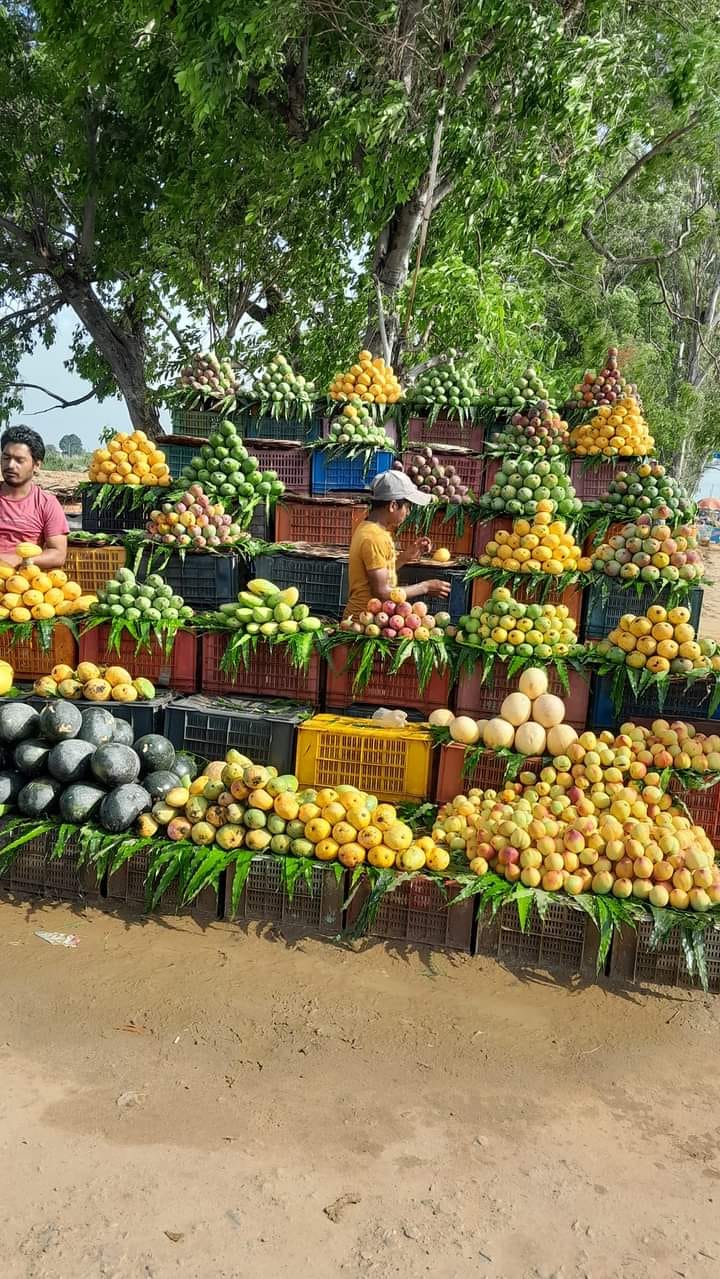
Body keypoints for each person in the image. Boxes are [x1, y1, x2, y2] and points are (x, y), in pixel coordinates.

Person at [344, 470, 452, 619]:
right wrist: (425, 587)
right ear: (393, 505)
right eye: (407, 507)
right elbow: (381, 592)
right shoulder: (373, 537)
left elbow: (377, 572)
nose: (408, 513)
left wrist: (404, 557)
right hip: (363, 622)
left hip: (376, 619)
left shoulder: (371, 529)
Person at [0, 426, 68, 568]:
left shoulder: (47, 504)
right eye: (6, 458)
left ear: (36, 465)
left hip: (22, 583)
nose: (10, 465)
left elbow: (58, 554)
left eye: (19, 460)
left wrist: (20, 561)